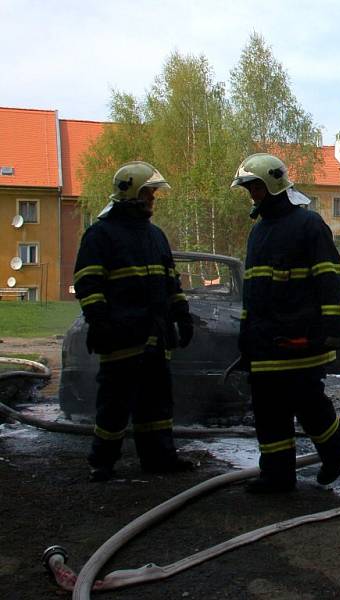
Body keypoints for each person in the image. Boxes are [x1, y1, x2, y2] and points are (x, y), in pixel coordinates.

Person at [231, 153, 340, 493]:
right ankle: (277, 476)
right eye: (248, 189)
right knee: (268, 412)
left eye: (255, 188)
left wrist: (331, 329)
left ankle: (335, 449)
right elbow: (252, 293)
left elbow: (330, 279)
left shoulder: (308, 225)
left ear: (272, 185)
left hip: (298, 339)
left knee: (308, 404)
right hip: (264, 341)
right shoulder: (259, 233)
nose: (252, 195)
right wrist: (246, 338)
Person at [73, 161, 194, 482]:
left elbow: (171, 282)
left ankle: (159, 457)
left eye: (154, 193)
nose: (153, 199)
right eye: (149, 193)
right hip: (120, 335)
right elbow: (88, 283)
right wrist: (99, 322)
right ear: (131, 193)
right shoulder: (101, 235)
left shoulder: (155, 236)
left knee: (156, 401)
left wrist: (182, 314)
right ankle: (102, 462)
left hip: (155, 334)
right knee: (114, 402)